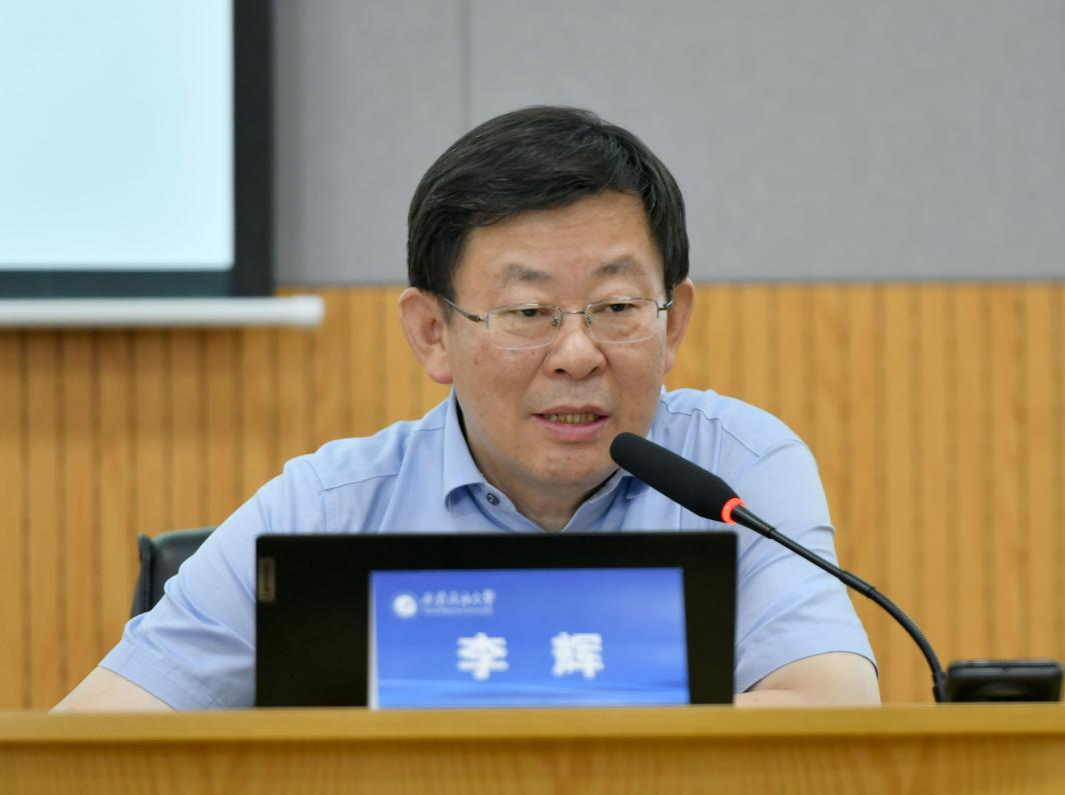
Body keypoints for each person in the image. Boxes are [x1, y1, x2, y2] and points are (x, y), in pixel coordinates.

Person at [56, 106, 878, 710]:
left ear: (673, 323)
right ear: (432, 334)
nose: (578, 352)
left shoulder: (735, 471)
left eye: (617, 307)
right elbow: (97, 738)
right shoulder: (329, 508)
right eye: (528, 312)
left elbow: (831, 707)